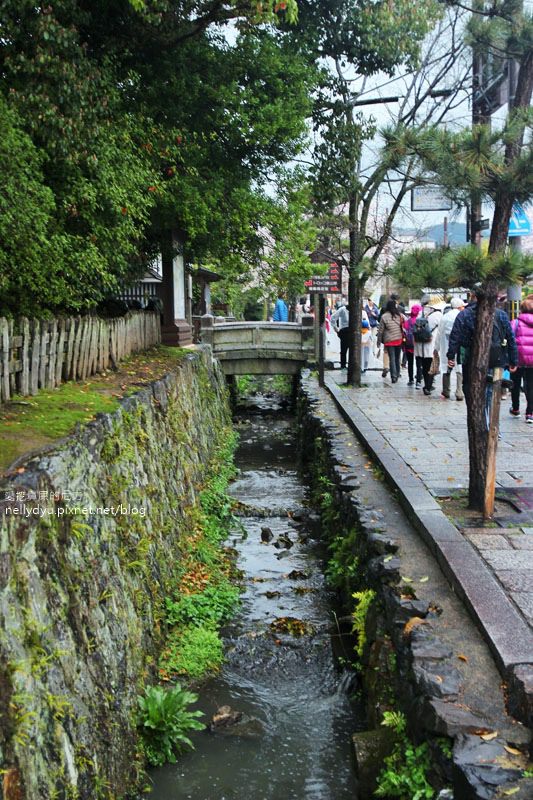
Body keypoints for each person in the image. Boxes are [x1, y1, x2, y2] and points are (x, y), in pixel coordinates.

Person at [447, 286, 518, 422]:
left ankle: (479, 422)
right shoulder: (500, 314)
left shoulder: (465, 314)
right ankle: (491, 424)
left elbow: (455, 337)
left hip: (471, 358)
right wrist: (513, 360)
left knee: (472, 390)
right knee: (491, 391)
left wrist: (451, 356)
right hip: (495, 357)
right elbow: (510, 338)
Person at [434, 297, 465, 401]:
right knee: (459, 367)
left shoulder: (445, 317)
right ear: (460, 306)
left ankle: (446, 390)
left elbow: (439, 333)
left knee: (447, 367)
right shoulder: (463, 315)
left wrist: (436, 348)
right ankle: (459, 391)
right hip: (460, 345)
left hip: (446, 346)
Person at [509, 294, 533, 423]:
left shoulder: (516, 322)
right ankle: (530, 413)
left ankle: (516, 408)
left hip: (518, 359)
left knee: (515, 384)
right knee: (531, 386)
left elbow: (510, 339)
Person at [414, 295, 442, 395]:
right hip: (431, 344)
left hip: (419, 345)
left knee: (424, 367)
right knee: (431, 367)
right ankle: (428, 386)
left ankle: (425, 385)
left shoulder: (420, 313)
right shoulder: (438, 315)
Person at [377, 299, 405, 383]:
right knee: (397, 357)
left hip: (389, 340)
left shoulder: (384, 316)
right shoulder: (399, 315)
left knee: (392, 358)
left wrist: (378, 341)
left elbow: (381, 330)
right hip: (399, 339)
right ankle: (397, 373)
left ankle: (393, 377)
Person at [403, 304, 421, 386]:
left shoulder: (407, 322)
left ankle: (411, 379)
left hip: (408, 345)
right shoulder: (420, 321)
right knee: (419, 363)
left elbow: (403, 333)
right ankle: (418, 381)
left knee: (410, 363)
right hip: (418, 345)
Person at [331, 298, 350, 370]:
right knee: (344, 350)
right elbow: (333, 318)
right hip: (344, 331)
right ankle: (343, 365)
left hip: (353, 332)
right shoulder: (342, 309)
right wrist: (336, 329)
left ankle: (351, 364)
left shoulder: (356, 310)